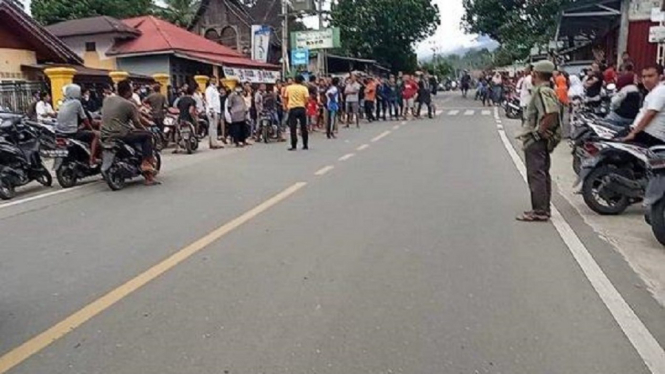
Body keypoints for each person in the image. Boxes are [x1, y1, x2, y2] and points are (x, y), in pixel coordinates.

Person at [516, 60, 562, 222]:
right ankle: (542, 208)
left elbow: (551, 114)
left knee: (536, 174)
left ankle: (540, 211)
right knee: (540, 173)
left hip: (536, 140)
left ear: (535, 74)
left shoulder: (543, 91)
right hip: (539, 138)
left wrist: (538, 133)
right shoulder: (545, 90)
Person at [100, 80, 157, 185]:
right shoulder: (128, 104)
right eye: (131, 89)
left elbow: (137, 115)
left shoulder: (107, 100)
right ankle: (146, 167)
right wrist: (144, 129)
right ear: (128, 91)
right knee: (147, 136)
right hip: (121, 134)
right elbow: (136, 122)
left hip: (104, 134)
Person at [622, 64, 665, 147]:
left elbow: (650, 113)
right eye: (644, 76)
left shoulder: (660, 90)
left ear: (660, 77)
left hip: (649, 135)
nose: (646, 79)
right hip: (642, 132)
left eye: (650, 76)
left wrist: (634, 133)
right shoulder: (654, 91)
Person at [56, 84, 99, 165]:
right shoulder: (76, 103)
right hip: (71, 133)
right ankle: (92, 159)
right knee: (95, 135)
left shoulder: (63, 102)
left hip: (61, 132)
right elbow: (85, 119)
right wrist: (91, 129)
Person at [284, 74, 309, 150]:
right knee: (304, 127)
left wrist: (286, 106)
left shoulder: (289, 88)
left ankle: (294, 145)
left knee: (293, 128)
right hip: (301, 108)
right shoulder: (304, 88)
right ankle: (305, 145)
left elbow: (285, 98)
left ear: (294, 80)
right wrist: (305, 106)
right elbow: (307, 100)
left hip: (292, 108)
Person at [174, 85, 198, 153]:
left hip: (181, 118)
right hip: (188, 119)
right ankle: (195, 136)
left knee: (177, 131)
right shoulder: (192, 100)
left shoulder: (180, 100)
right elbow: (191, 111)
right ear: (192, 93)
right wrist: (194, 118)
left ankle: (176, 147)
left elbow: (178, 109)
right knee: (196, 124)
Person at [205, 79, 223, 149]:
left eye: (215, 80)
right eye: (213, 80)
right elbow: (209, 99)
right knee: (213, 127)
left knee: (213, 127)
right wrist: (211, 109)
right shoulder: (209, 89)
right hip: (212, 110)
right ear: (209, 81)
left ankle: (212, 142)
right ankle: (214, 143)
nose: (214, 81)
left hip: (216, 110)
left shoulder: (215, 89)